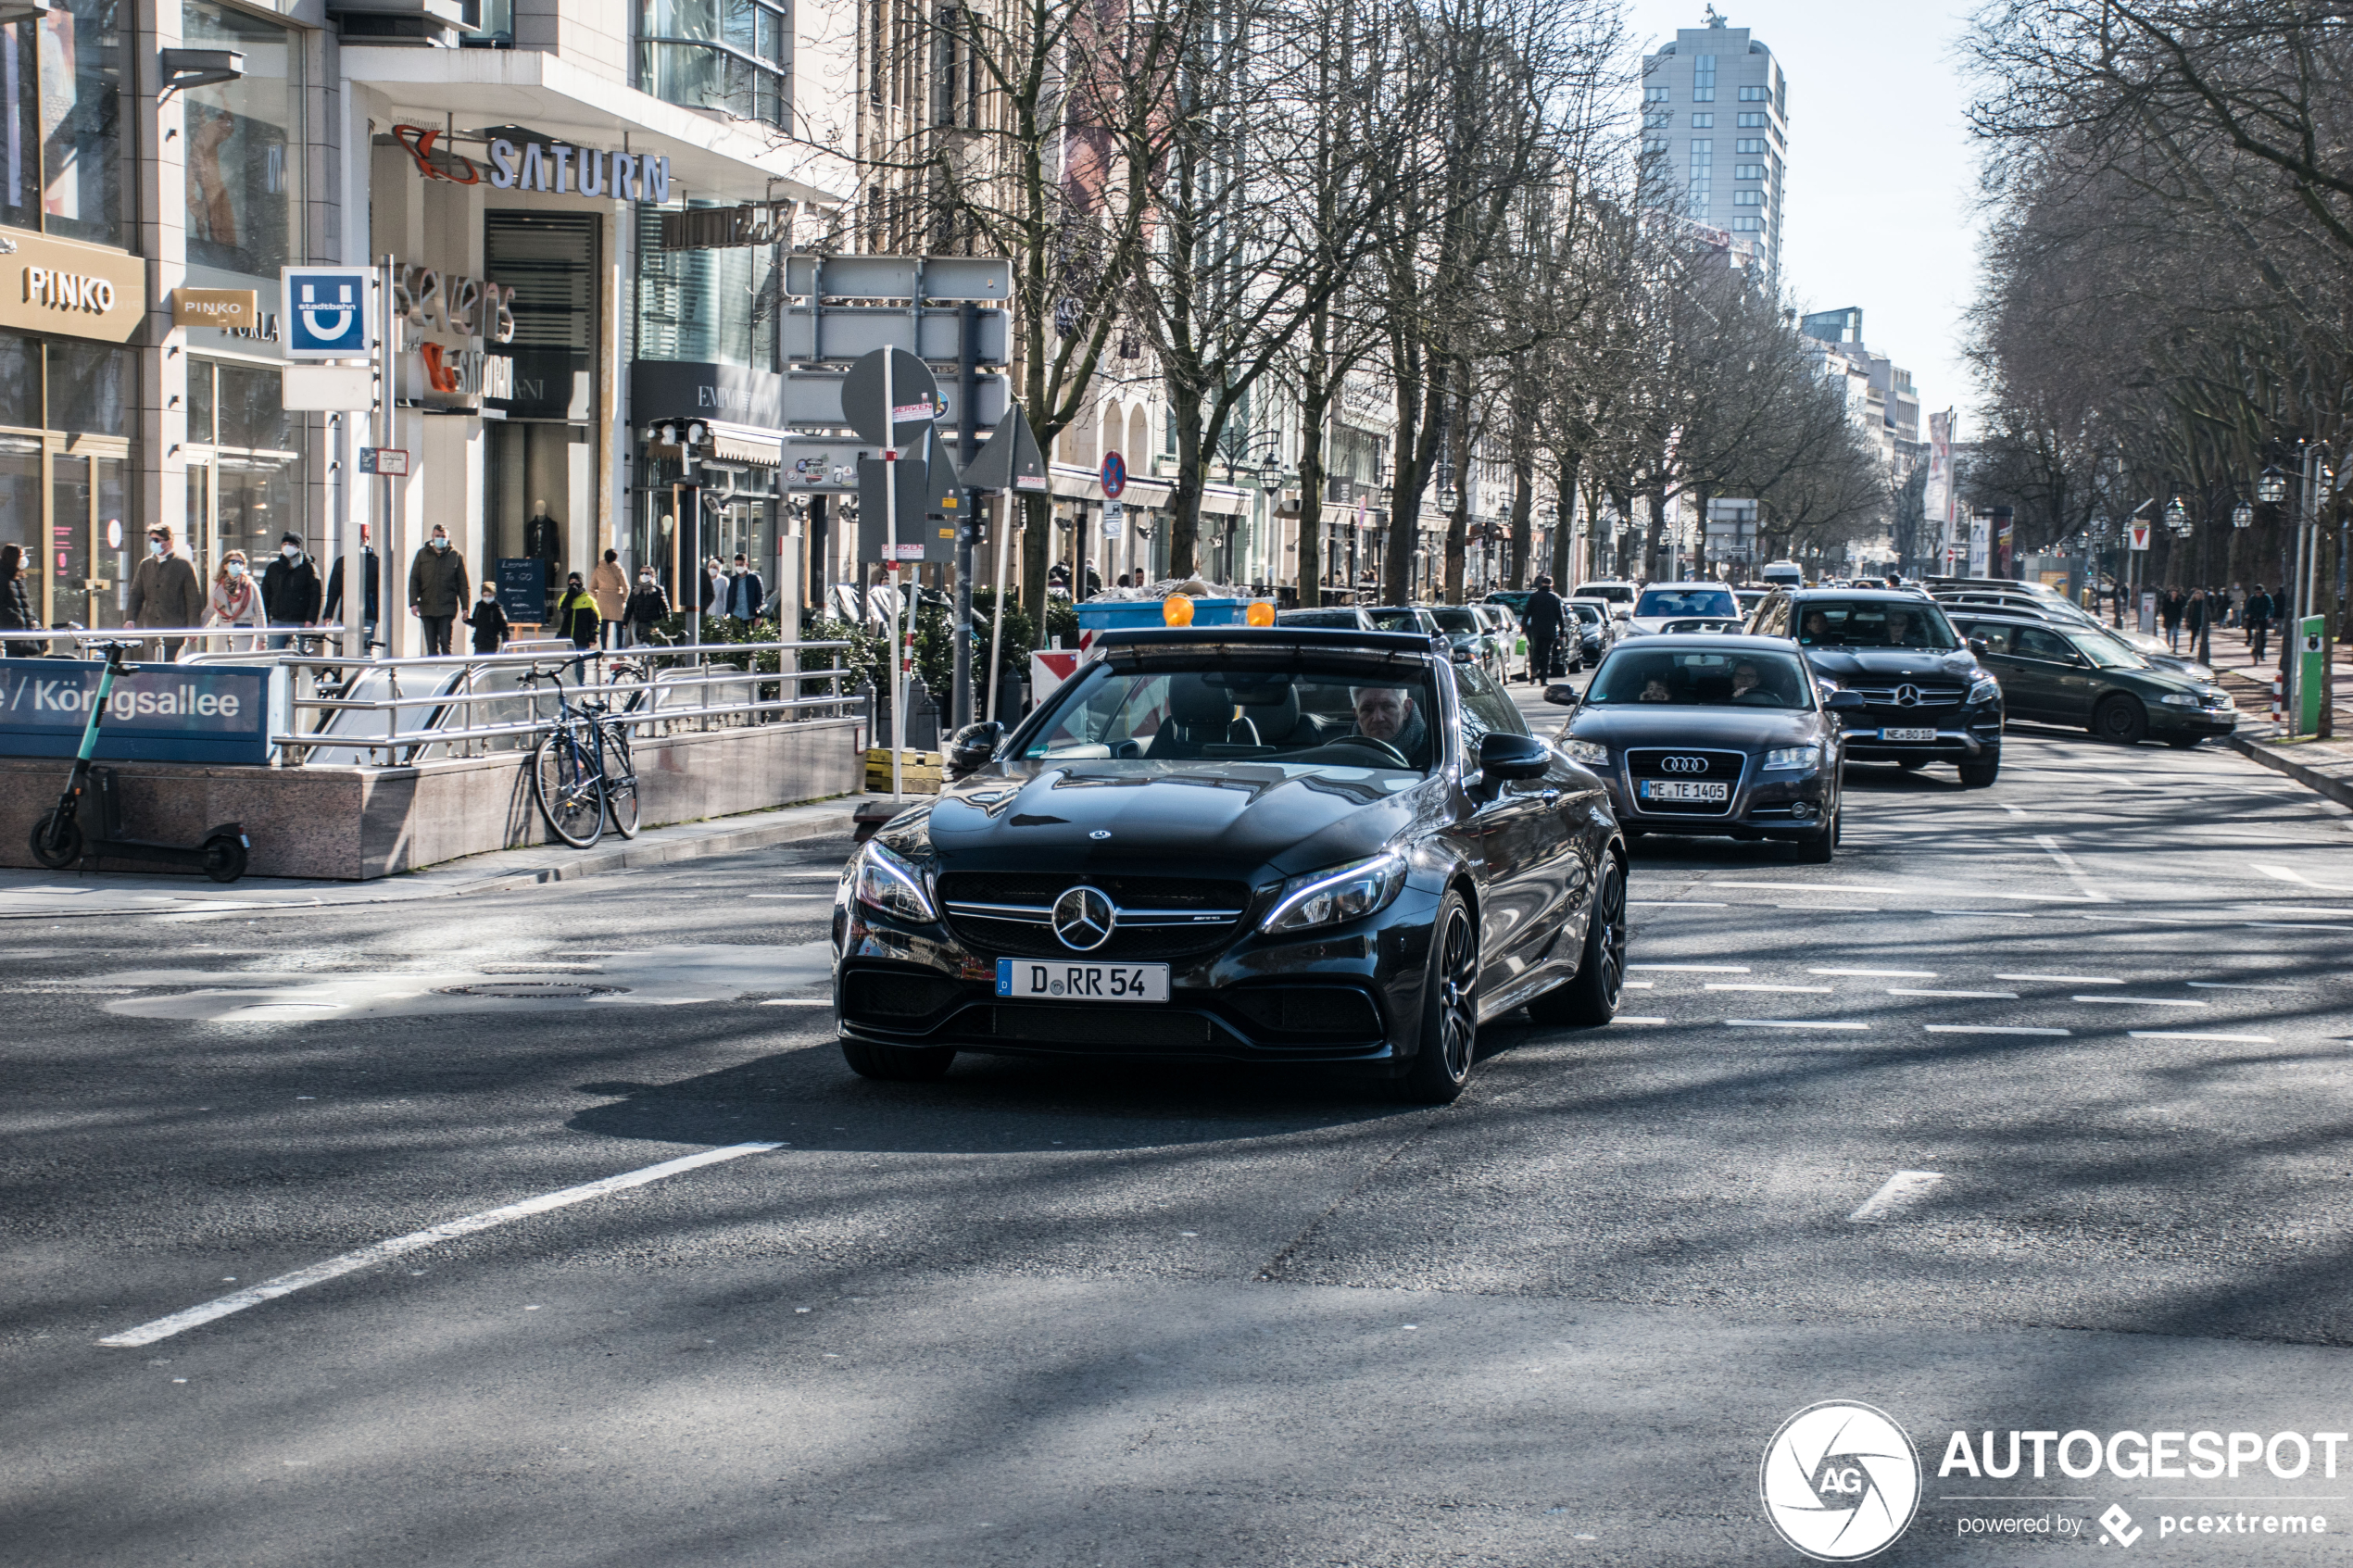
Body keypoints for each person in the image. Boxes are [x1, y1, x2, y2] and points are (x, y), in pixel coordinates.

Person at [125, 523, 203, 660]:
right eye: (151, 540)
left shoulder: (183, 565)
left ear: (168, 541)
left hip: (174, 626)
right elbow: (136, 593)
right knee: (158, 660)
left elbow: (193, 599)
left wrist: (193, 627)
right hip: (153, 626)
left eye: (157, 540)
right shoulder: (146, 564)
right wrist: (130, 618)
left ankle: (166, 682)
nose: (153, 543)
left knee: (167, 660)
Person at [408, 522, 468, 656]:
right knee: (431, 645)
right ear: (432, 537)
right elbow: (414, 579)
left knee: (446, 641)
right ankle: (434, 670)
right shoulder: (422, 554)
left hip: (447, 606)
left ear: (448, 537)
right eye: (437, 536)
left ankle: (446, 668)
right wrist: (413, 602)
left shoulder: (456, 556)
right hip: (427, 606)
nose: (440, 538)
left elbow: (463, 583)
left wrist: (465, 607)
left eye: (443, 536)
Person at [324, 523, 382, 654]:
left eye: (364, 538)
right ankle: (344, 673)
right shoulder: (342, 562)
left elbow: (380, 591)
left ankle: (360, 673)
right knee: (347, 649)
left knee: (365, 649)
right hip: (348, 613)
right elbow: (334, 589)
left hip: (369, 613)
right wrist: (328, 614)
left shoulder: (375, 563)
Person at [259, 532, 321, 650]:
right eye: (285, 543)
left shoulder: (309, 568)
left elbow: (316, 595)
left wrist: (311, 619)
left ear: (298, 548)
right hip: (278, 620)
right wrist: (266, 618)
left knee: (299, 654)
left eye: (291, 544)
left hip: (300, 621)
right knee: (274, 654)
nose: (287, 546)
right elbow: (266, 594)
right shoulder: (274, 568)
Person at [1349, 684, 1428, 762]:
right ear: (1357, 715)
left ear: (1406, 709)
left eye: (1387, 706)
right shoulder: (1343, 755)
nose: (1378, 718)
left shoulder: (1433, 752)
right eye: (1367, 709)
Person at [204, 550, 263, 651]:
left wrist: (262, 639)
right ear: (225, 566)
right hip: (223, 632)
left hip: (244, 631)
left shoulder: (251, 587)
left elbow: (260, 614)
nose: (237, 565)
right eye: (233, 562)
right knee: (222, 664)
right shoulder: (218, 587)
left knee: (241, 664)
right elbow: (209, 611)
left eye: (241, 563)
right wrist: (197, 630)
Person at [1522, 574, 1566, 684]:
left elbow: (1527, 613)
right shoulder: (1555, 598)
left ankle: (1534, 671)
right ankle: (1543, 678)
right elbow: (1560, 616)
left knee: (1535, 652)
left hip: (1536, 630)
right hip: (1549, 630)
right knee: (1546, 654)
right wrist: (1561, 632)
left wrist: (1523, 629)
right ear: (1551, 585)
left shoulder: (1534, 596)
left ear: (1542, 583)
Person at [0, 543, 37, 657]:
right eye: (22, 556)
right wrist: (16, 618)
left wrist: (33, 619)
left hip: (22, 634)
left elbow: (24, 603)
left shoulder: (18, 577)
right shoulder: (3, 578)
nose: (24, 559)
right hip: (10, 632)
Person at [588, 548, 628, 649]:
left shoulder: (598, 569)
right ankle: (619, 651)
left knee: (604, 627)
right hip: (616, 599)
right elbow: (626, 588)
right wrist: (623, 598)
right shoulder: (619, 569)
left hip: (602, 599)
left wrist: (597, 597)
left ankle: (604, 651)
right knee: (619, 627)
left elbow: (591, 588)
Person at [554, 570, 601, 652]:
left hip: (582, 635)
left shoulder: (588, 600)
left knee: (580, 660)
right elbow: (563, 609)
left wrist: (593, 636)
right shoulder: (565, 596)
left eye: (576, 581)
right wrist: (570, 596)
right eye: (571, 581)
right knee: (571, 659)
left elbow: (596, 619)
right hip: (569, 635)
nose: (574, 584)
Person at [466, 581, 510, 655]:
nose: (487, 597)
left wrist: (505, 643)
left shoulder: (497, 609)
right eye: (485, 595)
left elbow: (504, 628)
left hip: (491, 643)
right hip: (479, 642)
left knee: (489, 663)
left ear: (493, 595)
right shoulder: (478, 607)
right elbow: (475, 622)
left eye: (489, 595)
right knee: (477, 662)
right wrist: (466, 620)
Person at [724, 551, 765, 625]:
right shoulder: (733, 580)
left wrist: (759, 616)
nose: (738, 567)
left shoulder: (754, 579)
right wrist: (727, 612)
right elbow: (730, 598)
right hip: (736, 615)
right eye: (736, 565)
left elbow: (760, 598)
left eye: (741, 564)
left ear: (746, 564)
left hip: (750, 616)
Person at [2246, 583, 2274, 663]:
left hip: (2263, 617)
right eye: (2257, 592)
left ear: (2262, 592)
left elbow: (2271, 607)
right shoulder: (2253, 598)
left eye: (2259, 592)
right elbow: (2248, 606)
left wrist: (2271, 616)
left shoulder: (2267, 598)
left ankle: (2262, 653)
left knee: (2263, 636)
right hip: (2254, 616)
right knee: (2248, 626)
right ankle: (2249, 639)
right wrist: (2247, 614)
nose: (2258, 594)